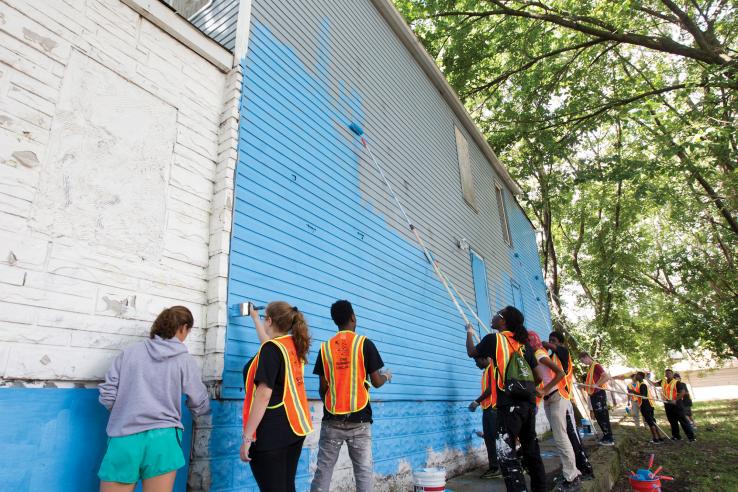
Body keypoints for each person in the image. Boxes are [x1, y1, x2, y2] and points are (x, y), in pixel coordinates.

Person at [98, 306, 211, 492]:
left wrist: (126, 412)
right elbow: (199, 402)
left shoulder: (129, 353)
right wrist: (203, 416)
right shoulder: (185, 361)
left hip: (125, 436)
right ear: (183, 328)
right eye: (188, 331)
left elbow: (107, 394)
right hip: (163, 439)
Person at [311, 300, 391, 492]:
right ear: (353, 317)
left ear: (334, 321)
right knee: (363, 472)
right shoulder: (364, 344)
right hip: (360, 421)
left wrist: (333, 404)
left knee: (323, 472)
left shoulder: (325, 349)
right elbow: (376, 382)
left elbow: (322, 388)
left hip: (332, 420)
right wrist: (387, 375)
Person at [466, 306, 548, 492]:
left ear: (503, 321)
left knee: (506, 454)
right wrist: (525, 389)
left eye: (497, 314)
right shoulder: (523, 345)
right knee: (531, 453)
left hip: (508, 406)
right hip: (527, 406)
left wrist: (469, 333)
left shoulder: (494, 339)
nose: (493, 316)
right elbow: (539, 378)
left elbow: (472, 353)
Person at [241, 302, 314, 491]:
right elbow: (268, 345)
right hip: (294, 429)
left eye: (264, 317)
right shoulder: (292, 346)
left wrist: (247, 437)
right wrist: (255, 318)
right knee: (286, 486)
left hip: (272, 435)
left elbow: (263, 395)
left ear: (270, 320)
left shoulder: (272, 350)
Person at [544, 331, 596, 486]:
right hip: (555, 398)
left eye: (553, 340)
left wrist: (541, 344)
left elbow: (549, 347)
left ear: (560, 343)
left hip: (563, 398)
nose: (550, 342)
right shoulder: (552, 357)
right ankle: (576, 469)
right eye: (549, 340)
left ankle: (583, 470)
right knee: (567, 437)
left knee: (571, 436)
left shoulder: (563, 352)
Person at [468, 357, 501, 479]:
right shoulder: (487, 370)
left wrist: (477, 402)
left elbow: (491, 389)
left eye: (477, 361)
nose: (476, 364)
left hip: (492, 409)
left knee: (492, 439)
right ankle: (496, 466)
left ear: (485, 358)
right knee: (490, 438)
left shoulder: (492, 368)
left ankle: (495, 467)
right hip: (488, 408)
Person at [578, 352, 614, 445]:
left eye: (582, 360)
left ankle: (609, 438)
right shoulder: (591, 367)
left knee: (602, 415)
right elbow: (592, 383)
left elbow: (606, 376)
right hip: (595, 395)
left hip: (599, 394)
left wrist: (597, 385)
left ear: (586, 357)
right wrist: (583, 386)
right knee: (598, 415)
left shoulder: (596, 365)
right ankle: (606, 436)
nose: (583, 362)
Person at [654, 369, 695, 442]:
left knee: (683, 421)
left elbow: (683, 392)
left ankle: (691, 437)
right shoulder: (663, 382)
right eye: (666, 373)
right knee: (672, 421)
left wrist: (675, 400)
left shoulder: (677, 383)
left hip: (677, 404)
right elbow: (655, 384)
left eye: (669, 373)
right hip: (667, 404)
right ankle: (676, 436)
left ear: (672, 374)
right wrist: (647, 379)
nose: (668, 374)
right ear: (665, 375)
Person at [632, 372, 666, 443]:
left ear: (641, 376)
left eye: (637, 375)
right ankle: (659, 437)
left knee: (650, 422)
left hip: (646, 406)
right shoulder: (641, 385)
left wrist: (633, 392)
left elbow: (643, 396)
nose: (635, 376)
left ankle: (655, 438)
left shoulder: (643, 385)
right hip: (648, 405)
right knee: (653, 421)